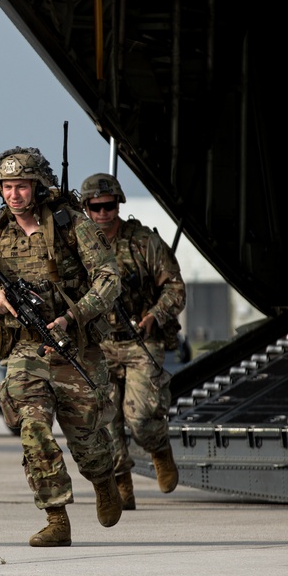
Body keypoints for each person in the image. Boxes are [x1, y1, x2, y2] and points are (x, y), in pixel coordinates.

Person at [0, 147, 122, 547]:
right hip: (25, 351)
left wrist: (73, 316)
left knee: (88, 442)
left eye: (22, 187)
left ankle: (102, 480)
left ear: (37, 186)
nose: (14, 195)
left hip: (74, 347)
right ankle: (56, 517)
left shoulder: (71, 225)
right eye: (8, 187)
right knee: (33, 430)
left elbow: (109, 277)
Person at [80, 173, 185, 509]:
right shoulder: (78, 248)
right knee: (106, 422)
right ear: (86, 208)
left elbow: (174, 287)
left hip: (140, 340)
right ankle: (122, 485)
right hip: (100, 344)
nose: (102, 213)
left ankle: (159, 450)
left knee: (141, 418)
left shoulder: (143, 242)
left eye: (109, 206)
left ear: (118, 204)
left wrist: (156, 314)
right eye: (95, 207)